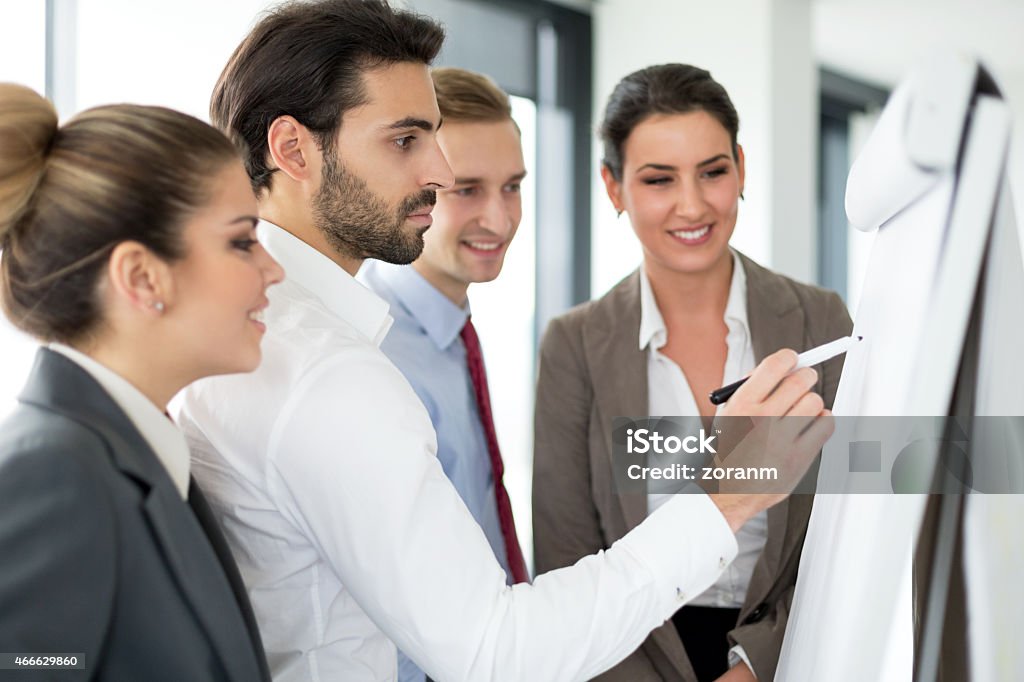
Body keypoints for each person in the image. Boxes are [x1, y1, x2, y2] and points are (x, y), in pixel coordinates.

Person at [174, 3, 833, 681]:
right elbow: (500, 639)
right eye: (406, 140)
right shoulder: (331, 370)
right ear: (292, 150)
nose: (435, 168)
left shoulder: (249, 331)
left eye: (713, 171)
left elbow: (872, 511)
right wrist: (729, 495)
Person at [532, 63, 854, 682]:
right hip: (631, 657)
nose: (693, 204)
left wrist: (758, 666)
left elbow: (845, 536)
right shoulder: (573, 345)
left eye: (713, 171)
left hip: (790, 653)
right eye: (658, 179)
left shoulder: (819, 319)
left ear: (741, 167)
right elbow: (568, 561)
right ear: (614, 187)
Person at [0, 83, 283, 681]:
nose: (273, 268)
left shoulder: (134, 455)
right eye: (241, 241)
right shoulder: (57, 475)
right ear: (142, 276)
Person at [358, 66, 529, 682]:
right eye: (467, 190)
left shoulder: (455, 338)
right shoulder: (377, 355)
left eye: (512, 187)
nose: (500, 218)